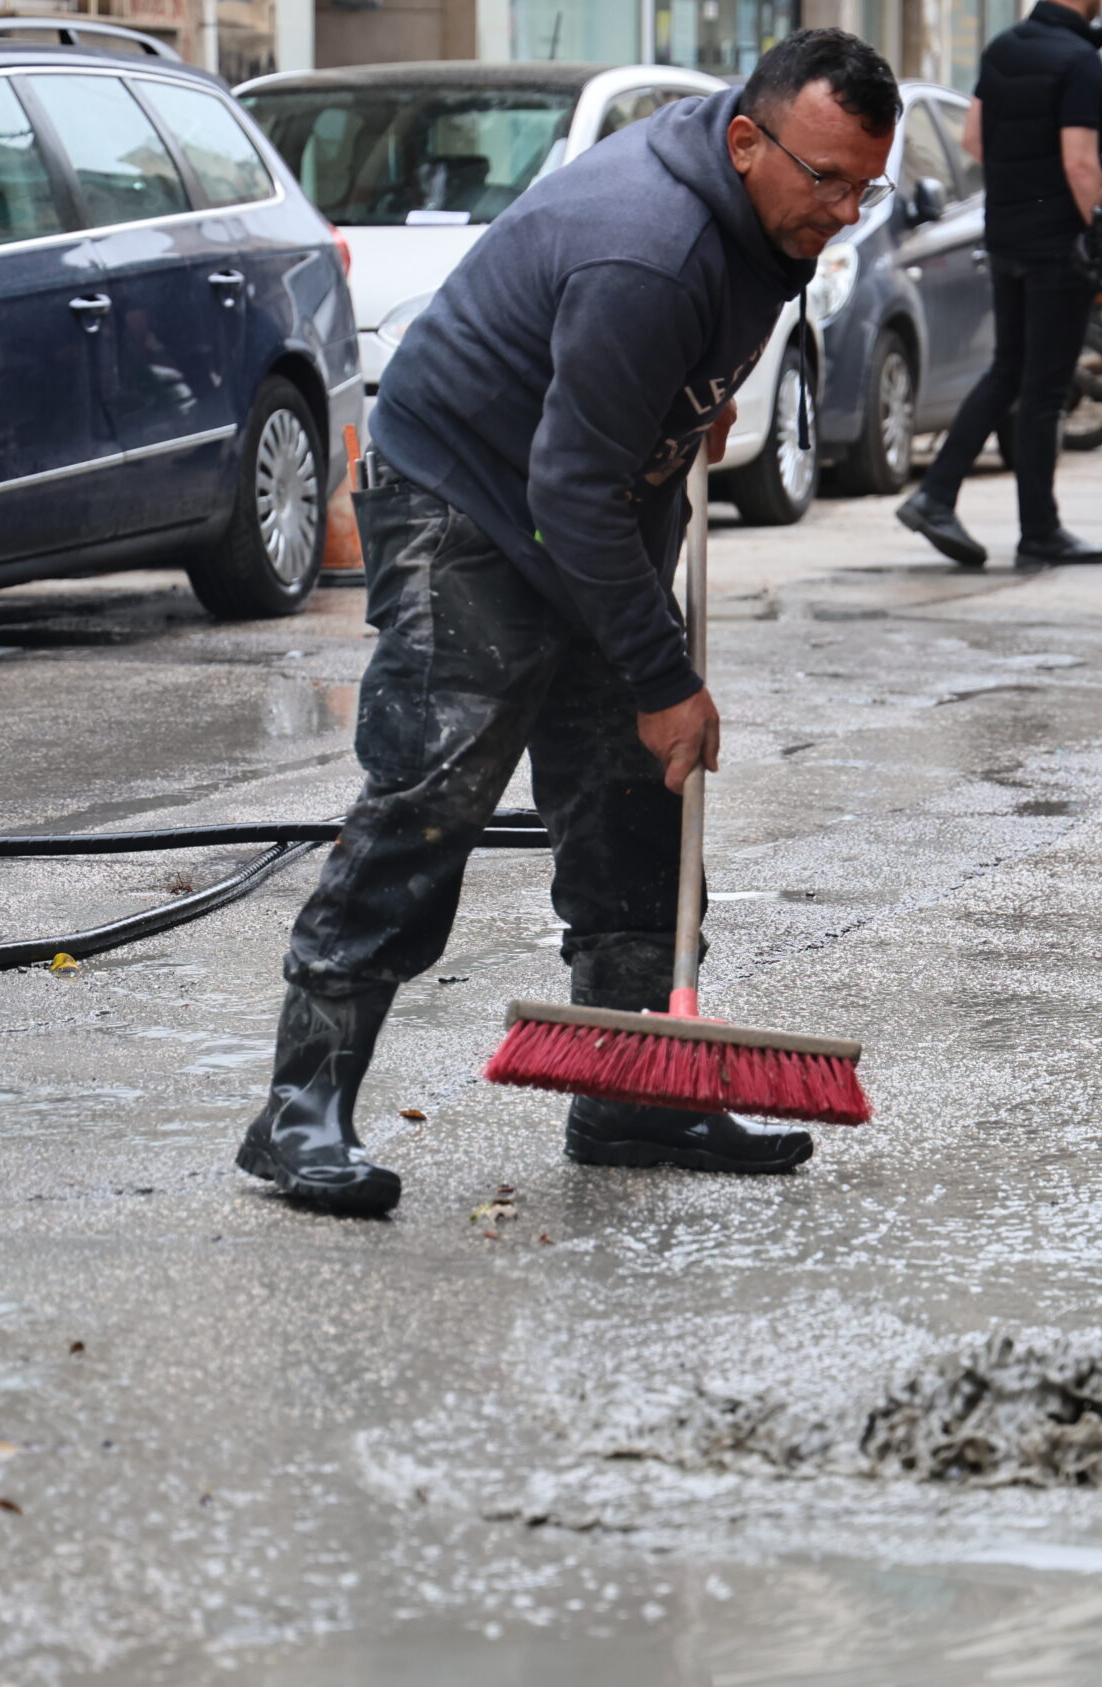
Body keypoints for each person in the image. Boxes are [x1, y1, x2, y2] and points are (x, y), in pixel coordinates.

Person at [236, 31, 901, 1215]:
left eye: (866, 183)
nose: (845, 210)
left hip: (585, 494)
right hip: (469, 500)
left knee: (638, 797)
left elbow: (608, 449)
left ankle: (631, 1093)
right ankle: (300, 1111)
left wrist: (685, 402)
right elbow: (566, 494)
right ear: (746, 142)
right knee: (431, 792)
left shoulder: (756, 204)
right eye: (826, 181)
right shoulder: (646, 250)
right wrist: (659, 673)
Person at [894, 0, 1102, 572]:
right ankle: (1038, 531)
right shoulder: (1081, 62)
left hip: (1007, 235)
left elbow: (974, 137)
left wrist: (1022, 177)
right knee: (1043, 390)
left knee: (1007, 370)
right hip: (1058, 245)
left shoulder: (1003, 48)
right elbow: (1080, 164)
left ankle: (935, 494)